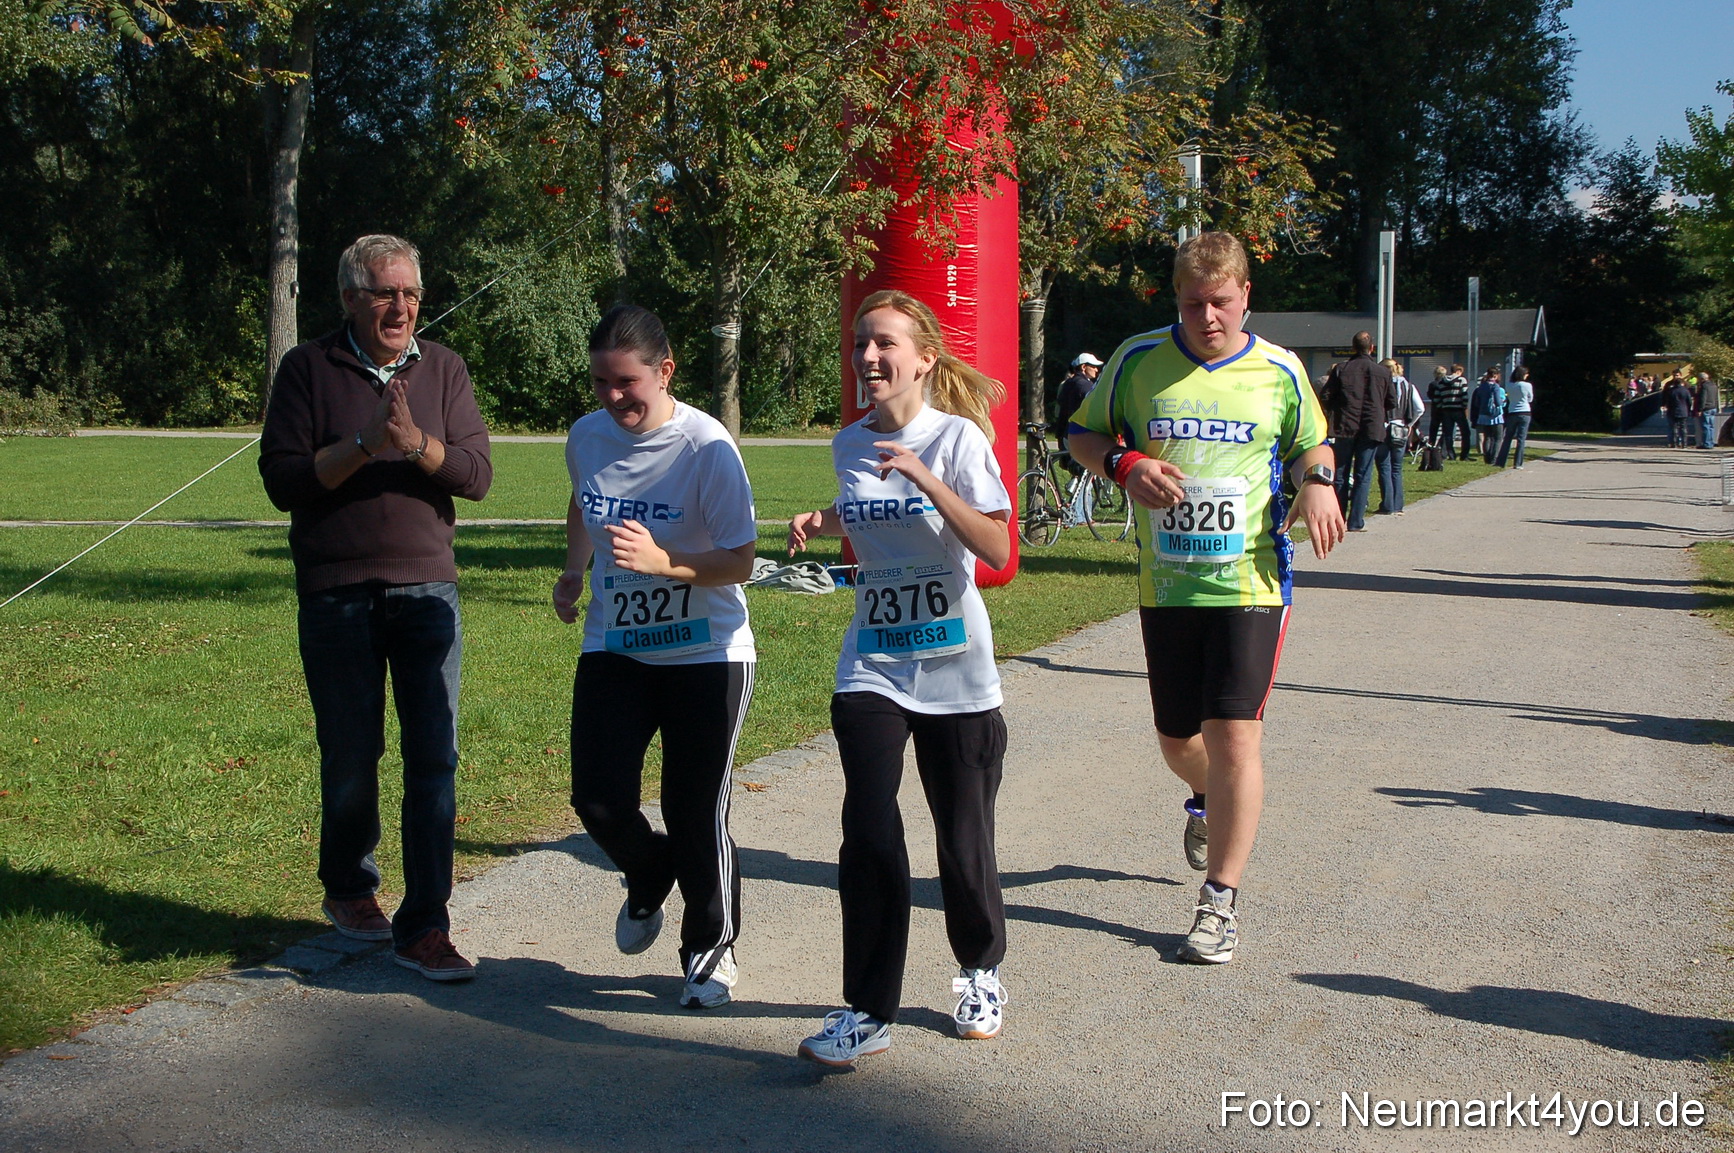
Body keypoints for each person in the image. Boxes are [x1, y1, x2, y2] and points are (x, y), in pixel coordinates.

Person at [1067, 232, 1345, 968]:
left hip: (1250, 582)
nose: (1208, 317)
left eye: (1221, 302)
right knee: (1176, 742)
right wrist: (1124, 462)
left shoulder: (1279, 370)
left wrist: (1318, 481)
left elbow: (1313, 444)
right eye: (1193, 303)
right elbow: (1082, 435)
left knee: (1235, 738)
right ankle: (1209, 801)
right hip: (1168, 583)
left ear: (1245, 295)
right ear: (1177, 299)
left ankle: (1219, 901)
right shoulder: (1136, 359)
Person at [787, 288, 1013, 1068]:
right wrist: (825, 519)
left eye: (883, 343)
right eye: (859, 344)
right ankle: (866, 1007)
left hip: (955, 664)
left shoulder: (956, 440)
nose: (868, 358)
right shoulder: (849, 443)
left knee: (962, 834)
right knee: (869, 824)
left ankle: (980, 968)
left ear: (924, 356)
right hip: (875, 659)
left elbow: (993, 545)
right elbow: (867, 506)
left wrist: (928, 476)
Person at [259, 234, 493, 981]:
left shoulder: (445, 368)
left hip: (428, 590)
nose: (403, 307)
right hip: (336, 591)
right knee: (353, 752)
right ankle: (350, 887)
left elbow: (476, 473)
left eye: (413, 293)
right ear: (351, 298)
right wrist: (363, 443)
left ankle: (425, 926)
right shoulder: (307, 369)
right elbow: (285, 480)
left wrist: (413, 442)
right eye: (387, 293)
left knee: (435, 756)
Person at [552, 304, 758, 1010]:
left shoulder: (707, 447)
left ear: (665, 370)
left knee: (694, 806)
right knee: (598, 797)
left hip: (707, 651)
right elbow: (584, 505)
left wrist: (663, 561)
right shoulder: (587, 436)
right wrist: (575, 571)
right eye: (601, 384)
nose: (613, 399)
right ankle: (650, 874)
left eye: (626, 383)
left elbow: (739, 561)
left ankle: (710, 945)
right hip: (617, 642)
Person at [1321, 331, 1394, 532]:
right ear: (1372, 348)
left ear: (1353, 347)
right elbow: (1391, 401)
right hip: (1371, 427)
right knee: (1363, 474)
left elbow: (1325, 395)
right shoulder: (1383, 372)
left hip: (1345, 426)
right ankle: (1356, 520)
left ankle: (1338, 517)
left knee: (1341, 474)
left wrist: (1336, 408)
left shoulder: (1342, 369)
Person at [1376, 358, 1424, 512]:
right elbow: (1420, 408)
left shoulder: (1380, 385)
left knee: (1384, 466)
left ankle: (1387, 504)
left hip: (1383, 427)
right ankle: (1398, 504)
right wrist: (1409, 424)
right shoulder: (1409, 386)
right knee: (1396, 468)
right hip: (1401, 427)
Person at [1427, 364, 1472, 461]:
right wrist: (1464, 407)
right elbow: (1464, 395)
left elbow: (1437, 397)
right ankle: (1464, 455)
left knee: (1448, 434)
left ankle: (1451, 455)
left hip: (1446, 410)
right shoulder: (1461, 380)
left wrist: (1442, 406)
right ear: (1459, 371)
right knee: (1465, 433)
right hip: (1458, 410)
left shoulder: (1442, 382)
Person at [1496, 366, 1534, 468]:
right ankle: (1518, 463)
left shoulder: (1509, 385)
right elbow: (1530, 399)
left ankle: (1500, 461)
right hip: (1525, 412)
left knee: (1507, 438)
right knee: (1521, 439)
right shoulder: (1527, 385)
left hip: (1512, 412)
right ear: (1523, 374)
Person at [1470, 368, 1505, 463]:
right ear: (1496, 375)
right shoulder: (1496, 387)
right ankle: (1494, 458)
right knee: (1498, 438)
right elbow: (1498, 402)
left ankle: (1487, 458)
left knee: (1487, 437)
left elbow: (1477, 403)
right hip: (1495, 416)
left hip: (1483, 415)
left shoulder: (1481, 387)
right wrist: (1503, 402)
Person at [1664, 372, 1694, 448]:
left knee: (1673, 428)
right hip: (1683, 411)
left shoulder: (1671, 391)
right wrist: (1688, 409)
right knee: (1683, 428)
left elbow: (1668, 401)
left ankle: (1673, 443)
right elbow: (1689, 402)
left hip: (1672, 411)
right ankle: (1684, 443)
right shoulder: (1685, 390)